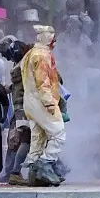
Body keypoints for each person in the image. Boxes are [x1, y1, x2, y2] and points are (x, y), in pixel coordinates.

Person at [21, 26, 67, 187]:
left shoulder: (30, 54)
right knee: (58, 133)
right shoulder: (41, 55)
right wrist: (49, 103)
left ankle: (35, 175)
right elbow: (42, 82)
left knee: (38, 137)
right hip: (41, 101)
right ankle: (45, 163)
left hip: (31, 101)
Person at [2, 38, 33, 185]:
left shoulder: (16, 69)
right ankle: (13, 172)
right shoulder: (25, 68)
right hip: (27, 108)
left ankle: (11, 171)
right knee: (26, 139)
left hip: (19, 109)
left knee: (17, 141)